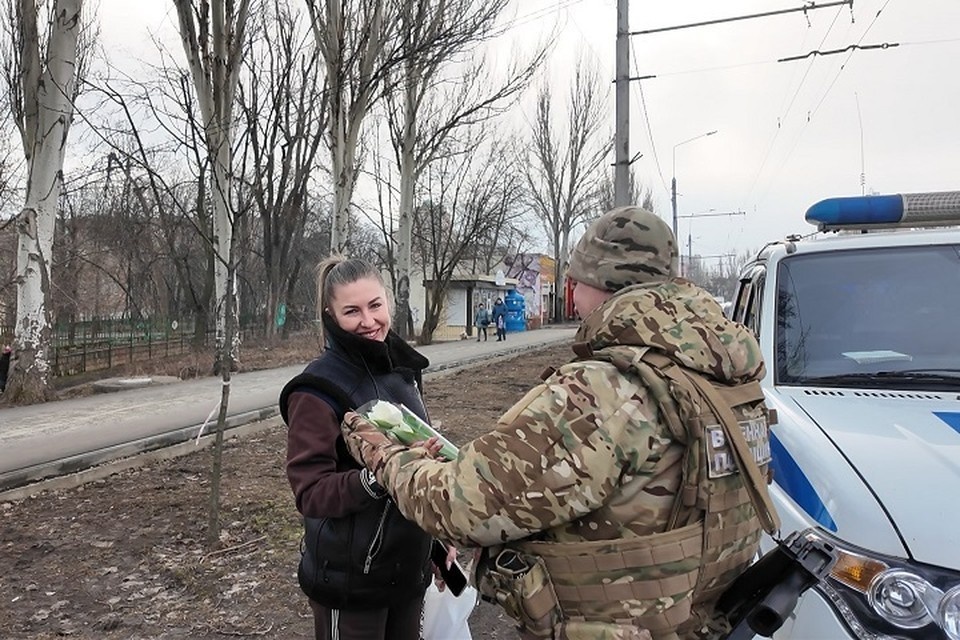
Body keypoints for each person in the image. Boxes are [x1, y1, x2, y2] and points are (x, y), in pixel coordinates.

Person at [339, 206, 779, 640]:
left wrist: (383, 453)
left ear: (597, 281)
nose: (573, 294)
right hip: (700, 622)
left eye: (575, 281)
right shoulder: (724, 377)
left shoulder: (606, 391)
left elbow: (460, 505)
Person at [279, 256, 449, 640]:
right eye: (352, 311)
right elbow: (311, 492)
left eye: (375, 305)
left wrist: (435, 543)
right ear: (331, 315)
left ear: (388, 301)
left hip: (408, 573)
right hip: (351, 582)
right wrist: (378, 477)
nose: (369, 321)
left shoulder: (400, 373)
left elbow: (419, 467)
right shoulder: (317, 390)